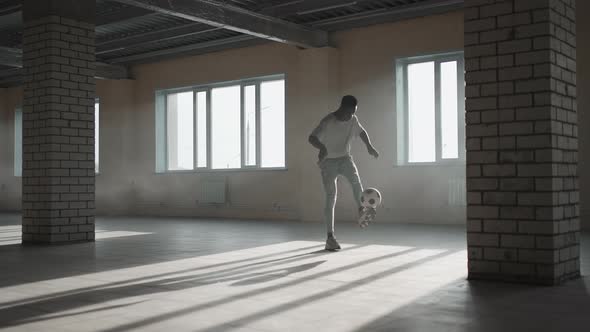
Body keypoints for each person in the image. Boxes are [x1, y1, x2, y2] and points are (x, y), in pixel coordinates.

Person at [308, 95, 379, 251]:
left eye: (354, 112)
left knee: (356, 182)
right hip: (328, 162)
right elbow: (311, 138)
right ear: (343, 108)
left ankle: (362, 209)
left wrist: (369, 146)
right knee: (331, 196)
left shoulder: (353, 119)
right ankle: (330, 237)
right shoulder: (328, 121)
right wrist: (322, 148)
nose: (352, 115)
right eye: (350, 112)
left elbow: (361, 132)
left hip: (345, 158)